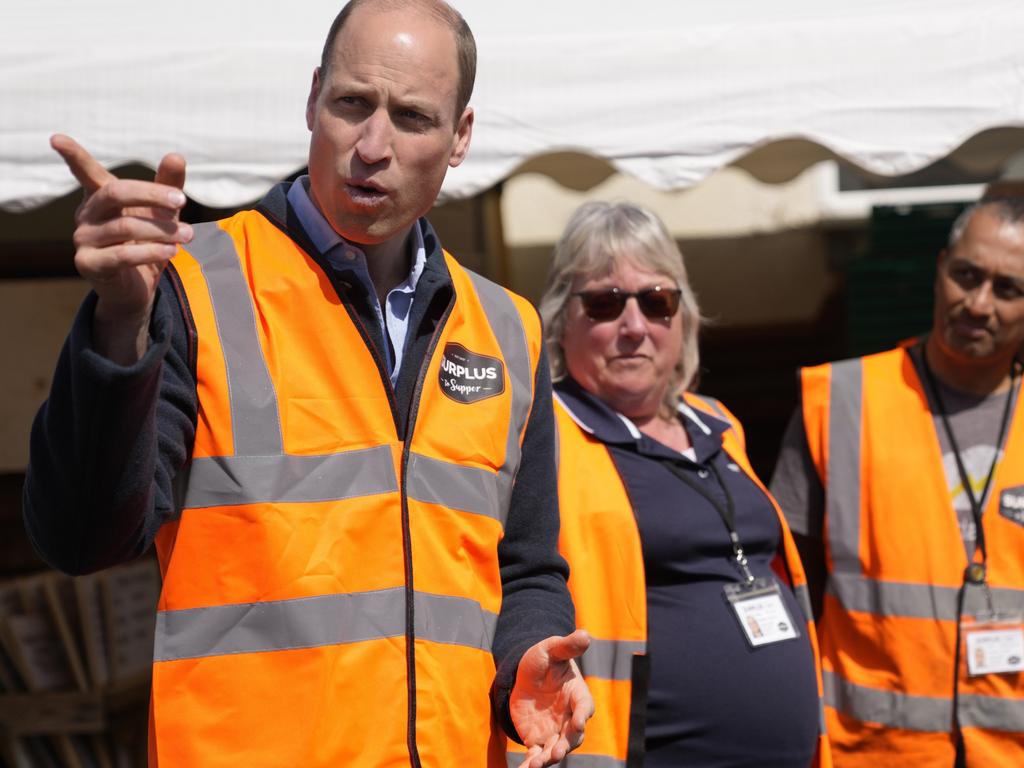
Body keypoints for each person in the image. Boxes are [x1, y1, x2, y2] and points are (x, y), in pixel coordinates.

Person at [22, 2, 593, 766]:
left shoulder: (507, 328)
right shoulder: (191, 287)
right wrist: (119, 323)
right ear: (312, 97)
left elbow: (524, 568)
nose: (372, 145)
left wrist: (524, 658)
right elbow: (82, 536)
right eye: (352, 104)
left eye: (414, 117)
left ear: (460, 138)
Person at [513, 200, 831, 767]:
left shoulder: (720, 422)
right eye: (605, 303)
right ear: (563, 318)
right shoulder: (545, 433)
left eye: (657, 302)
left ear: (682, 316)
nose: (634, 326)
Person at [770, 196, 1024, 766]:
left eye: (1008, 289)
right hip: (873, 750)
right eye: (966, 275)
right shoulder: (842, 403)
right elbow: (786, 582)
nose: (978, 303)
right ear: (940, 269)